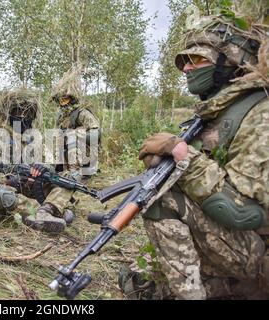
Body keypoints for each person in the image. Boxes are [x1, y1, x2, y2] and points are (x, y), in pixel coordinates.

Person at [119, 6, 269, 300]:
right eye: (184, 61)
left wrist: (181, 154)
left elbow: (244, 213)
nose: (187, 68)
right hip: (242, 247)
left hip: (257, 250)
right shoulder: (218, 112)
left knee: (162, 201)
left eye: (198, 59)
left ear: (231, 62)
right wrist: (170, 163)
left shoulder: (260, 115)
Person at [0, 87, 75, 233]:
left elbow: (51, 166)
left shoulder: (36, 138)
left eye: (27, 114)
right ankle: (45, 211)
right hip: (13, 191)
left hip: (34, 187)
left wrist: (43, 168)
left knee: (67, 178)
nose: (23, 118)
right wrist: (7, 180)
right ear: (9, 114)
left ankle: (47, 210)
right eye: (18, 113)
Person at [24, 64, 101, 233]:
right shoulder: (60, 116)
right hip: (63, 156)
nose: (62, 103)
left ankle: (53, 208)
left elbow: (96, 135)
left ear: (72, 99)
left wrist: (74, 134)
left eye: (65, 100)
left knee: (71, 178)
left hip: (81, 157)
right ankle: (63, 208)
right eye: (60, 100)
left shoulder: (82, 114)